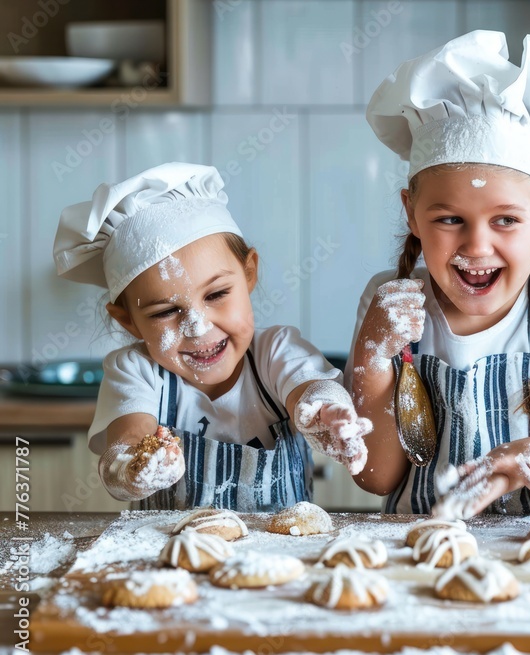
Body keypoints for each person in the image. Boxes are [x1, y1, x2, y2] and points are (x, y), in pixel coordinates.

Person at [348, 31, 530, 518]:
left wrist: (529, 461)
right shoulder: (389, 303)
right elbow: (376, 476)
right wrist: (372, 351)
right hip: (417, 549)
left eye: (506, 220)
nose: (476, 246)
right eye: (450, 219)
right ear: (411, 213)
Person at [53, 163, 372, 511]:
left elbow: (310, 390)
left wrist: (325, 412)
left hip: (279, 558)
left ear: (249, 273)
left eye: (216, 295)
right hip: (168, 557)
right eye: (165, 312)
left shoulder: (275, 352)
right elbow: (126, 444)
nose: (197, 327)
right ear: (129, 321)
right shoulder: (135, 372)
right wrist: (133, 468)